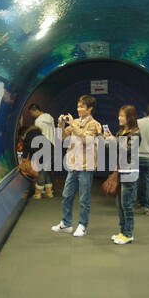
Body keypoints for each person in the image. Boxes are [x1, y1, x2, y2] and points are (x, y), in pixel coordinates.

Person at [51, 95, 102, 237]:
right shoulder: (74, 123)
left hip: (86, 166)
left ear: (90, 109)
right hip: (73, 166)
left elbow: (87, 140)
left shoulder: (94, 124)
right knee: (66, 195)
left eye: (82, 107)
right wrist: (60, 125)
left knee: (84, 199)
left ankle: (82, 225)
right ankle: (66, 223)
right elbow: (60, 139)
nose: (78, 109)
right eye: (78, 106)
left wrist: (73, 125)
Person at [111, 104, 140, 245]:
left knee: (127, 204)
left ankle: (129, 233)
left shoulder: (136, 133)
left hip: (130, 171)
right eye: (119, 115)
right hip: (121, 170)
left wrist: (113, 141)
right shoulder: (121, 132)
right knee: (120, 203)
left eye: (122, 116)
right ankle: (122, 231)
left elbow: (128, 150)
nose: (119, 118)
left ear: (130, 118)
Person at [28, 103, 55, 199]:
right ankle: (49, 192)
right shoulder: (50, 117)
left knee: (42, 170)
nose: (32, 115)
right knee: (47, 170)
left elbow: (38, 136)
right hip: (52, 145)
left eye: (32, 113)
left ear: (35, 110)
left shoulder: (38, 121)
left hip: (43, 147)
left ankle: (38, 192)